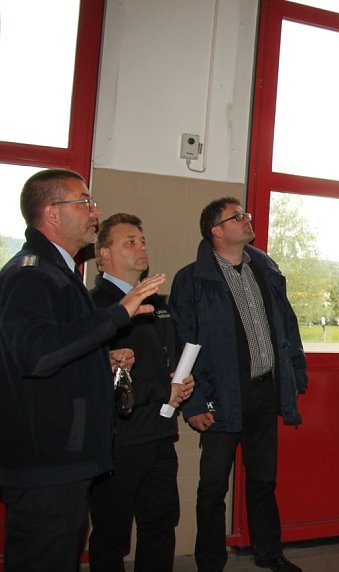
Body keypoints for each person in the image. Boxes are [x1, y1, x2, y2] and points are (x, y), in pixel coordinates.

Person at [0, 169, 166, 572]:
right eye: (85, 202)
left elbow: (59, 348)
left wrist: (100, 360)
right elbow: (35, 355)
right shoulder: (32, 273)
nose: (96, 211)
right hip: (46, 463)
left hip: (60, 461)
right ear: (51, 213)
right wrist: (115, 317)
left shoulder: (59, 272)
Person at [169, 197, 308, 572]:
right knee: (213, 487)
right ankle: (211, 562)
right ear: (217, 231)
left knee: (263, 479)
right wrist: (194, 404)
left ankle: (268, 552)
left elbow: (287, 327)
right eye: (237, 217)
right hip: (219, 398)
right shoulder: (192, 279)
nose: (247, 220)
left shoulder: (265, 268)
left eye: (245, 214)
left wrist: (295, 373)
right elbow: (182, 345)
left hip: (264, 391)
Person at [87, 213, 195, 571]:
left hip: (160, 434)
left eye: (142, 240)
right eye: (129, 241)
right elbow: (91, 370)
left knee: (160, 524)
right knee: (111, 534)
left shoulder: (157, 303)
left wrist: (179, 383)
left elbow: (164, 361)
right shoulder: (95, 305)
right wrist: (163, 386)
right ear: (104, 254)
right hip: (119, 440)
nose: (140, 246)